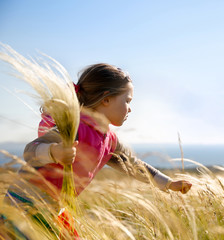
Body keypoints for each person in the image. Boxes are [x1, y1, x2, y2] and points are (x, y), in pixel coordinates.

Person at [3, 63, 192, 237]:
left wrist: (168, 184)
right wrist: (55, 151)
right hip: (26, 205)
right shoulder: (74, 127)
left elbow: (134, 166)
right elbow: (30, 151)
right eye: (127, 101)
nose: (130, 109)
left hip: (54, 209)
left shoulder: (109, 140)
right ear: (106, 99)